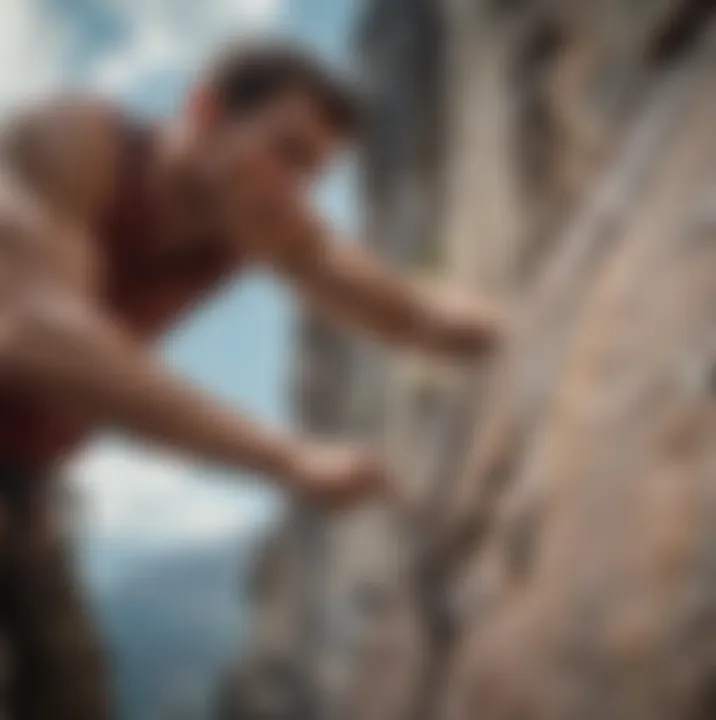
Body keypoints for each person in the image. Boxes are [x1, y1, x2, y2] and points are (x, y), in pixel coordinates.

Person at [0, 41, 502, 719]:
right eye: (286, 151)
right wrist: (284, 455)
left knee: (70, 693)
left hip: (26, 482)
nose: (295, 190)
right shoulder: (72, 145)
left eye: (315, 172)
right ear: (206, 111)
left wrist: (524, 325)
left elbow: (410, 313)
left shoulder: (263, 220)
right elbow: (36, 334)